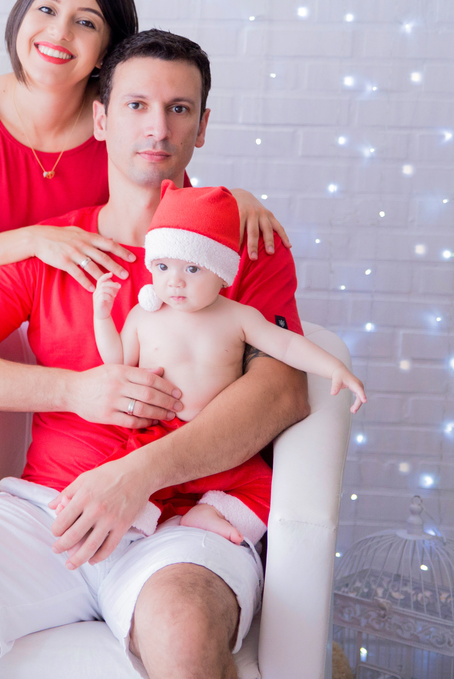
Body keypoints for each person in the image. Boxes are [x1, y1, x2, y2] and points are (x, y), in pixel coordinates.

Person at [0, 30, 310, 679]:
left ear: (203, 126)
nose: (157, 126)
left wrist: (139, 477)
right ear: (100, 117)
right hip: (50, 512)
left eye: (179, 108)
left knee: (183, 630)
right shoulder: (58, 247)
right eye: (135, 106)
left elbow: (282, 393)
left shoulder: (249, 245)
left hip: (190, 525)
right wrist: (73, 391)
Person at [0, 0, 289, 329]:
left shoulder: (125, 122)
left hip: (76, 329)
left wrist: (235, 200)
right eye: (46, 10)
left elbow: (173, 224)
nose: (59, 32)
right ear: (20, 16)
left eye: (86, 22)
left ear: (107, 52)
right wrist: (35, 241)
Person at [83, 180, 366, 547]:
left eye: (193, 269)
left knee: (268, 492)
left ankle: (209, 512)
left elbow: (286, 345)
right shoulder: (144, 316)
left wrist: (335, 368)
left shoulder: (238, 317)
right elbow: (117, 361)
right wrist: (102, 317)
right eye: (164, 266)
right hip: (156, 439)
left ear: (221, 272)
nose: (175, 282)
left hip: (220, 446)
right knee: (116, 486)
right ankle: (142, 531)